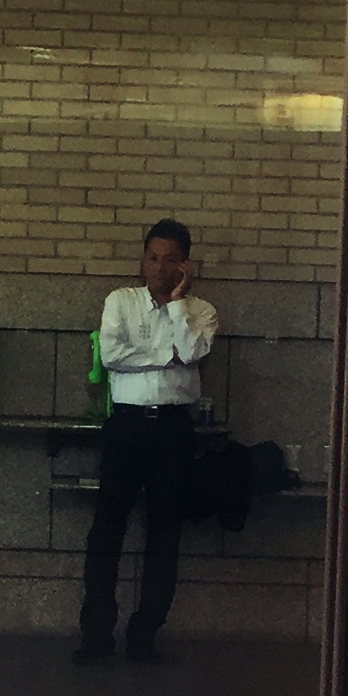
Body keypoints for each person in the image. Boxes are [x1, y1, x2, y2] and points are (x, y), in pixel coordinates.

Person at [76, 219, 217, 663]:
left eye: (170, 260)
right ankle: (96, 633)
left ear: (185, 266)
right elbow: (111, 355)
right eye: (152, 258)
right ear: (143, 260)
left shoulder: (201, 311)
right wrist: (165, 356)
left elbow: (191, 353)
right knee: (106, 530)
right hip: (126, 426)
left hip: (173, 428)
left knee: (165, 531)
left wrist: (176, 306)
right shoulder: (120, 301)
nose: (159, 268)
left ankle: (145, 633)